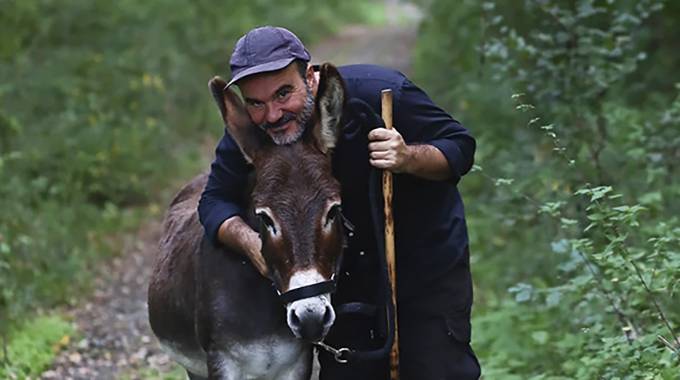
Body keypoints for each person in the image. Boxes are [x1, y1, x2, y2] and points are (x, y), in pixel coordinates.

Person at [198, 26, 480, 380]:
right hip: (339, 279)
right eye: (256, 102)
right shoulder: (253, 135)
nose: (272, 115)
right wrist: (252, 243)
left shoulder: (376, 93)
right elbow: (213, 202)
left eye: (284, 93)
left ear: (311, 78)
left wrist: (408, 156)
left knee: (435, 369)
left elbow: (460, 147)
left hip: (419, 263)